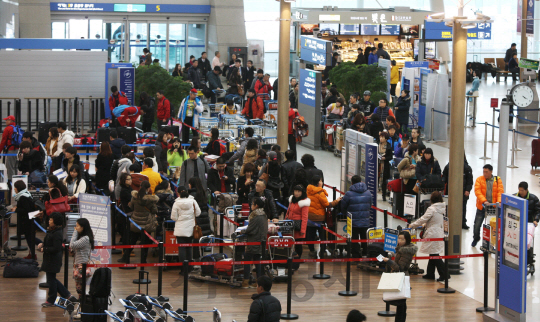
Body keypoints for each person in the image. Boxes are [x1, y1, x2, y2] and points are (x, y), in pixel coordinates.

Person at [39, 212, 78, 307]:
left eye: (51, 220)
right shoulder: (52, 231)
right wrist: (43, 244)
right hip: (49, 259)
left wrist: (45, 249)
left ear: (56, 222)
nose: (49, 221)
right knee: (52, 279)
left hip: (53, 260)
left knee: (51, 280)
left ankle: (52, 299)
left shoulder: (57, 233)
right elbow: (49, 242)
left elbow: (56, 248)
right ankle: (68, 295)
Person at [409, 191, 447, 281]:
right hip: (439, 231)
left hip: (432, 233)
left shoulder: (432, 208)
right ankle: (430, 273)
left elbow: (423, 219)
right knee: (433, 252)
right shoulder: (442, 208)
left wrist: (412, 225)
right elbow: (433, 219)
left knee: (435, 254)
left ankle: (444, 274)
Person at [382, 231, 418, 322]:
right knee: (401, 303)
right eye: (399, 238)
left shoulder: (405, 251)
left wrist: (388, 261)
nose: (400, 241)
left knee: (401, 303)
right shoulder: (401, 248)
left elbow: (399, 268)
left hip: (401, 277)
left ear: (407, 240)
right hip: (401, 276)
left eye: (402, 239)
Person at [119, 181, 158, 263]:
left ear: (140, 187)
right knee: (146, 242)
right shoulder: (150, 199)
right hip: (147, 223)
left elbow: (131, 207)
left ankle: (125, 257)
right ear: (148, 188)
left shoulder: (135, 197)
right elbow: (154, 210)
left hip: (136, 222)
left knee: (133, 240)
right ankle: (143, 260)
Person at [306, 175, 341, 258]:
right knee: (322, 236)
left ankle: (312, 251)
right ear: (318, 183)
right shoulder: (320, 192)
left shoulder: (308, 190)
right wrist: (337, 201)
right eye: (321, 181)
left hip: (309, 217)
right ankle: (322, 251)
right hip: (319, 218)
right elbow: (327, 205)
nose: (322, 182)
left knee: (310, 235)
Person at [171, 186, 201, 275]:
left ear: (179, 193)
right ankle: (190, 268)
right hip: (190, 228)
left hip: (180, 228)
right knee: (189, 247)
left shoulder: (176, 203)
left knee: (182, 248)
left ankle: (183, 269)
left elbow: (173, 217)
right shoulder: (193, 201)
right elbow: (198, 213)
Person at [473, 164, 504, 246]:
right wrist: (484, 201)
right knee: (477, 225)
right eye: (484, 172)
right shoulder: (479, 179)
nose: (485, 173)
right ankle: (476, 238)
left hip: (492, 208)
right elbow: (477, 191)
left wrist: (499, 202)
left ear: (491, 171)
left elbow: (500, 192)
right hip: (482, 207)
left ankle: (491, 244)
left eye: (486, 172)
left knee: (492, 227)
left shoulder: (498, 180)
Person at [342, 175, 372, 258]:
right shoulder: (368, 192)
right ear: (361, 181)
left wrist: (346, 213)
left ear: (351, 182)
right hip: (365, 220)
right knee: (364, 238)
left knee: (354, 238)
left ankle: (356, 255)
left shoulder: (348, 194)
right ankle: (365, 253)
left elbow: (343, 206)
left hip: (353, 220)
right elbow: (370, 205)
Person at [241, 197, 268, 288]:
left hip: (253, 241)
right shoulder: (263, 214)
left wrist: (242, 231)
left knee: (247, 259)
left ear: (256, 205)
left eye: (252, 204)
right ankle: (258, 282)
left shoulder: (256, 216)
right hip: (260, 241)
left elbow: (250, 229)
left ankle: (245, 281)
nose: (251, 205)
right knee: (257, 261)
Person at [442, 156, 474, 229]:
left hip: (462, 191)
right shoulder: (449, 166)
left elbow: (470, 181)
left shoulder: (467, 168)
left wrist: (467, 190)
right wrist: (443, 182)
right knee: (449, 207)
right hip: (451, 191)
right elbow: (444, 176)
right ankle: (449, 222)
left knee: (462, 207)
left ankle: (462, 222)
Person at [13, 181, 38, 260]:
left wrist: (17, 209)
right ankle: (32, 254)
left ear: (18, 188)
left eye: (15, 187)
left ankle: (39, 247)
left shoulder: (23, 197)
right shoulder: (26, 194)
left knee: (30, 238)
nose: (14, 189)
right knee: (30, 237)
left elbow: (26, 210)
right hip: (29, 220)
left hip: (27, 221)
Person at [70, 218, 94, 297]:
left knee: (80, 287)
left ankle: (82, 302)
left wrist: (75, 232)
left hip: (81, 265)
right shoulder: (83, 237)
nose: (76, 228)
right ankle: (82, 301)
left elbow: (72, 245)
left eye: (77, 226)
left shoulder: (85, 238)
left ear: (83, 227)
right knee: (79, 288)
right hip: (78, 264)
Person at [285, 185, 310, 258]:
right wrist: (285, 220)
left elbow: (305, 217)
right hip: (290, 225)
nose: (297, 193)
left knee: (298, 244)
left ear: (302, 193)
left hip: (298, 226)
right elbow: (288, 211)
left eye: (299, 191)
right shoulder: (292, 200)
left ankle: (298, 259)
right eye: (295, 191)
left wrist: (303, 230)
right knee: (290, 242)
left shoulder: (304, 203)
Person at [379, 132, 393, 201]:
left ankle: (383, 195)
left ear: (386, 139)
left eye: (382, 137)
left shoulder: (388, 146)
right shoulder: (377, 145)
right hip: (378, 165)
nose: (381, 139)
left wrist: (385, 158)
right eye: (380, 137)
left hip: (385, 166)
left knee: (384, 181)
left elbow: (390, 156)